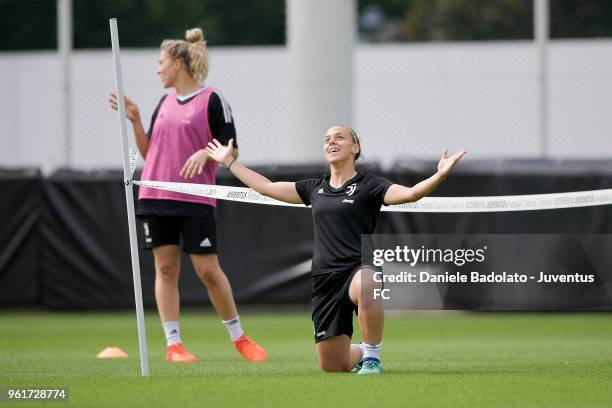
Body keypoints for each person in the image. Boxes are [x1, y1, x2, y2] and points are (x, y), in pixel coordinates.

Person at [205, 126, 466, 374]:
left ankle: (373, 358)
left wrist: (439, 175)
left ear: (355, 148)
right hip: (325, 279)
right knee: (333, 365)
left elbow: (410, 194)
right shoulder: (314, 188)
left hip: (358, 268)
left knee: (367, 284)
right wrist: (230, 162)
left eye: (339, 137)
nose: (331, 141)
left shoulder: (370, 185)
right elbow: (267, 187)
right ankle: (362, 353)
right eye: (327, 138)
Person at [109, 28, 267, 363]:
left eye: (161, 62)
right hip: (155, 196)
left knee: (208, 270)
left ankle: (240, 338)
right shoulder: (163, 103)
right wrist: (135, 120)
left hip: (196, 198)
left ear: (178, 65)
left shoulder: (212, 99)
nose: (158, 69)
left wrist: (205, 154)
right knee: (165, 269)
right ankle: (173, 346)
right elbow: (150, 154)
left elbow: (231, 148)